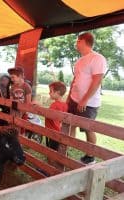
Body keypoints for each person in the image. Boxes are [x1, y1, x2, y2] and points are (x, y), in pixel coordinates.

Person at [67, 32, 107, 164]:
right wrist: (69, 97)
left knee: (88, 128)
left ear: (83, 41)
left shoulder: (97, 58)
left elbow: (97, 81)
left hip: (88, 103)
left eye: (77, 41)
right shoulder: (79, 61)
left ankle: (90, 156)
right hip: (74, 99)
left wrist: (84, 99)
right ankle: (66, 148)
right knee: (69, 124)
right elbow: (75, 80)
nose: (76, 44)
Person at [45, 81, 68, 169]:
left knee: (50, 153)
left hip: (51, 133)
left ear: (57, 93)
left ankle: (50, 170)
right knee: (58, 152)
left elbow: (47, 114)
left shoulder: (54, 105)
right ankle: (54, 168)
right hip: (59, 132)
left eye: (51, 91)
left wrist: (39, 106)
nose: (49, 93)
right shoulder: (65, 105)